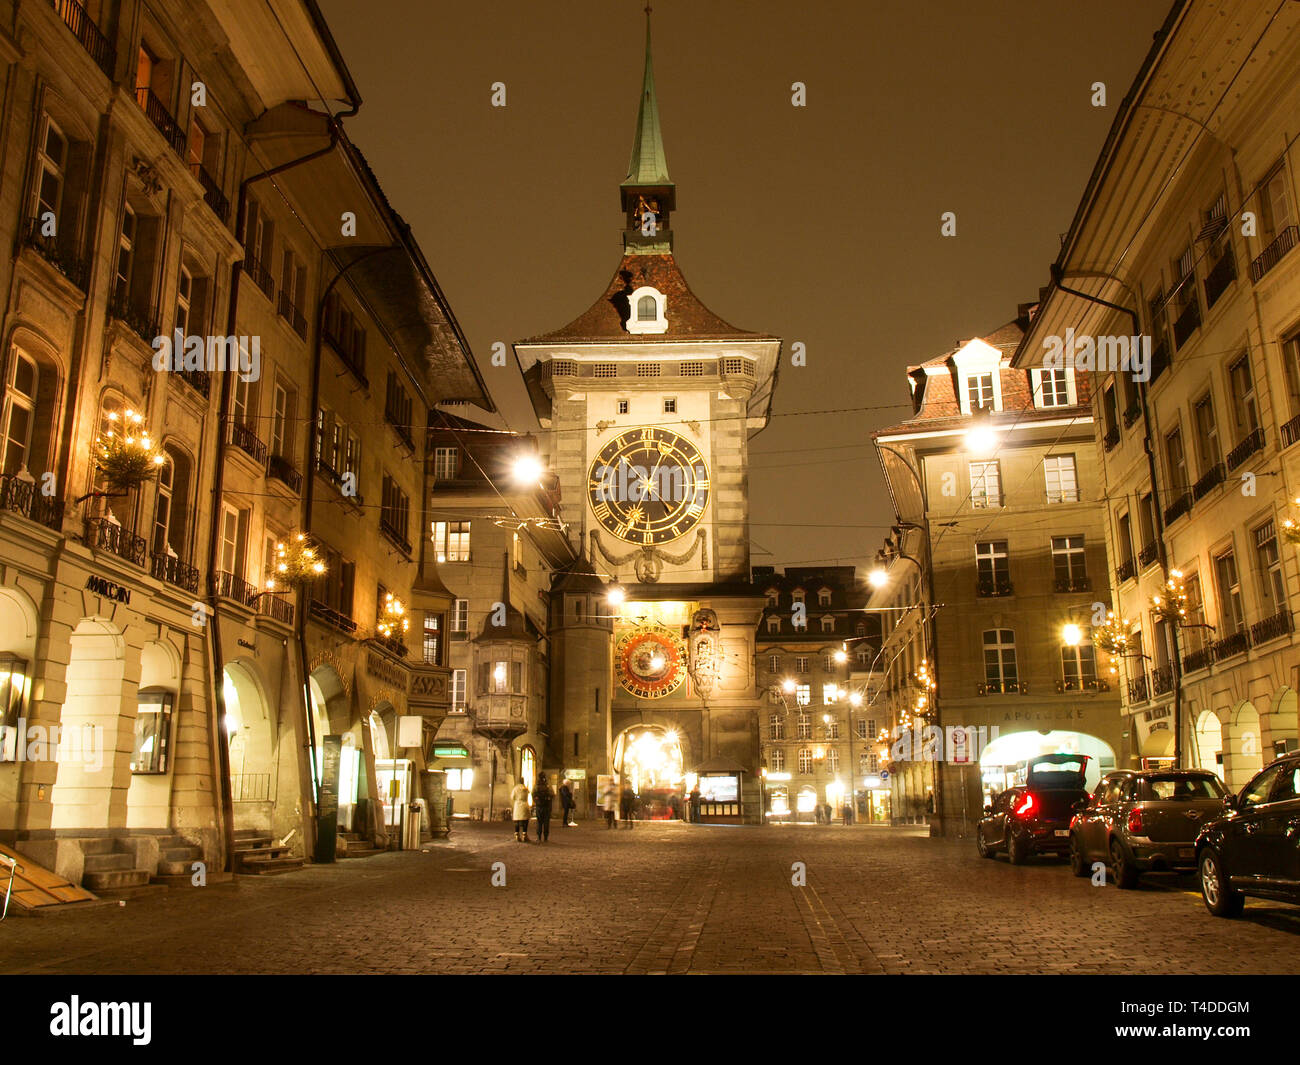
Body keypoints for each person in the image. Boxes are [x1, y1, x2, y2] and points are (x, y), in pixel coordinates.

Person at [533, 772, 554, 843]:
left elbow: (533, 794)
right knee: (546, 822)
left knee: (539, 822)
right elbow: (552, 794)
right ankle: (545, 837)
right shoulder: (548, 785)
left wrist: (536, 801)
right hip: (546, 806)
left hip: (539, 806)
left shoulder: (536, 785)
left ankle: (539, 837)